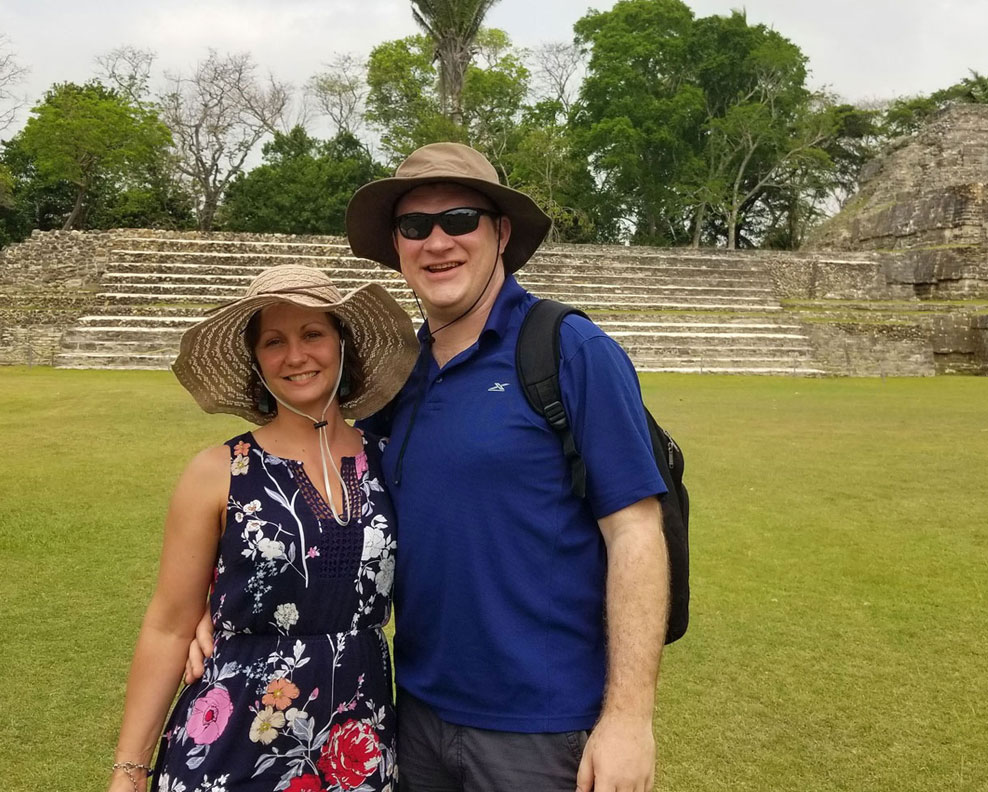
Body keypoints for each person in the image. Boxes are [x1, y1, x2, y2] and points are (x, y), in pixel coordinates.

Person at [349, 142, 669, 792]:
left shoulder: (570, 350)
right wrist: (231, 605)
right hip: (413, 715)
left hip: (539, 729)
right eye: (415, 226)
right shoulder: (397, 375)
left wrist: (630, 718)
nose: (437, 241)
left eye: (460, 219)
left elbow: (636, 531)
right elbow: (332, 499)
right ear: (397, 245)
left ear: (501, 233)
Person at [109, 266, 419, 792]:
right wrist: (129, 769)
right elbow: (168, 626)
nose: (296, 356)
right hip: (233, 742)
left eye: (313, 334)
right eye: (274, 341)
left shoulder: (389, 464)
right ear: (257, 361)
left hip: (358, 741)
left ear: (344, 344)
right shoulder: (217, 472)